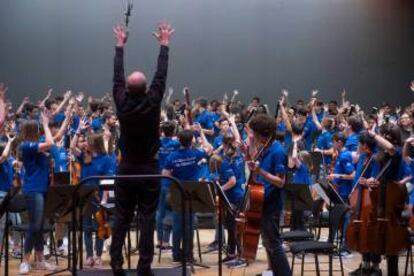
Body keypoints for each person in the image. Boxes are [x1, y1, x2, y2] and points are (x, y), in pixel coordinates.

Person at [109, 22, 174, 276]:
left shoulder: (122, 102)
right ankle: (144, 268)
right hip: (149, 168)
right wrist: (164, 44)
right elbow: (161, 75)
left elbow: (116, 75)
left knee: (121, 218)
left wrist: (120, 45)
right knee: (147, 218)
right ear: (147, 90)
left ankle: (116, 264)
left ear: (125, 88)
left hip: (126, 169)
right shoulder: (153, 101)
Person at [246, 114, 291, 275]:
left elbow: (281, 182)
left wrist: (261, 172)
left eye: (253, 133)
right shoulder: (265, 147)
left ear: (260, 133)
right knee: (267, 242)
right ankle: (272, 272)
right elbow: (254, 161)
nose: (253, 136)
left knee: (275, 244)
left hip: (272, 204)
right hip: (262, 201)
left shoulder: (277, 151)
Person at [19, 112, 57, 274]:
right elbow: (51, 142)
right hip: (33, 190)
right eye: (39, 128)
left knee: (40, 226)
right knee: (35, 225)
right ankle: (25, 261)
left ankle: (40, 260)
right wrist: (47, 125)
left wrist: (68, 119)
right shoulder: (26, 146)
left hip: (42, 189)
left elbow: (55, 139)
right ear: (33, 131)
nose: (41, 129)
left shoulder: (36, 145)